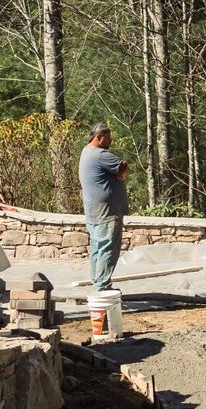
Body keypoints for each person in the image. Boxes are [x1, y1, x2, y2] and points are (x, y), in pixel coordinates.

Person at [78, 123, 129, 295]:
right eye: (108, 138)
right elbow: (122, 169)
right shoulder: (100, 154)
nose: (110, 141)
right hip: (107, 212)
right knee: (107, 247)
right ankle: (103, 285)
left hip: (94, 211)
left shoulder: (86, 151)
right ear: (99, 137)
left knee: (98, 247)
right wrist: (121, 171)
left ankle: (97, 280)